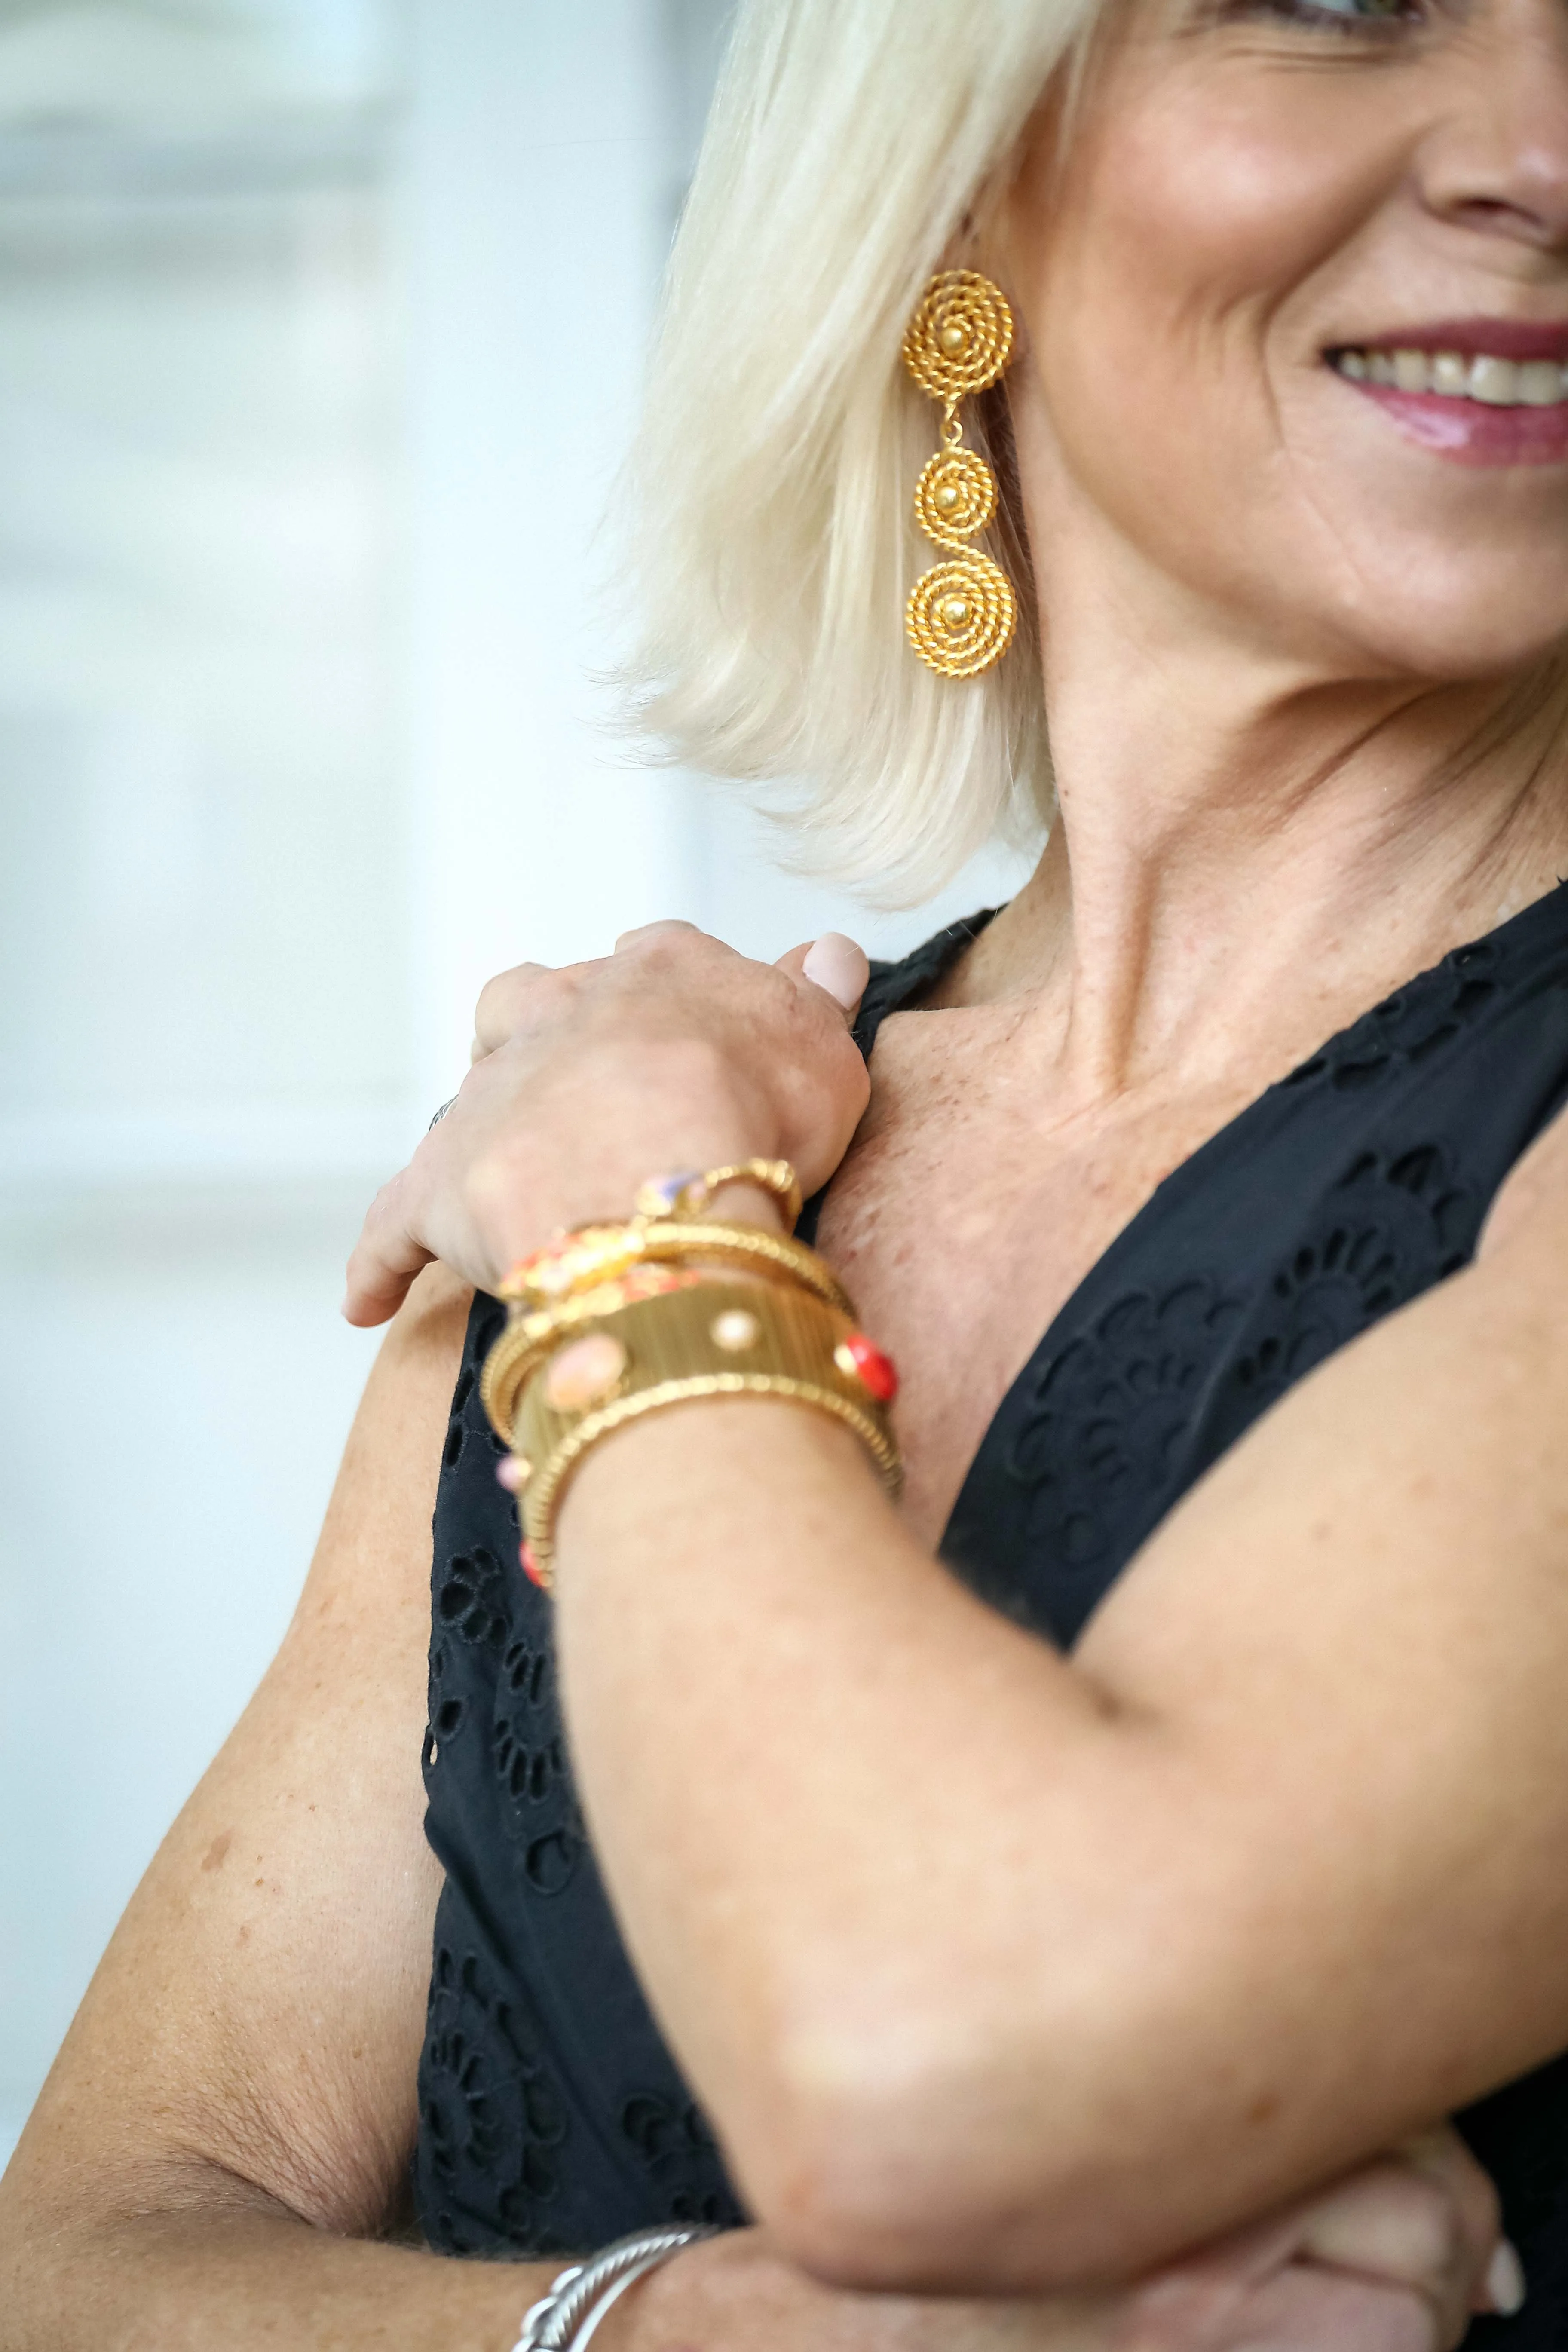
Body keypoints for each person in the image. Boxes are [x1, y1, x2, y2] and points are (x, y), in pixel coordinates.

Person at [5, 0, 1568, 2342]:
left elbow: (924, 2074)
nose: (1546, 146)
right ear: (951, 188)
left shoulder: (614, 1177)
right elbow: (84, 2255)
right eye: (1339, 0)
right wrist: (670, 2332)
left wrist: (641, 1237)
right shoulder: (661, 1137)